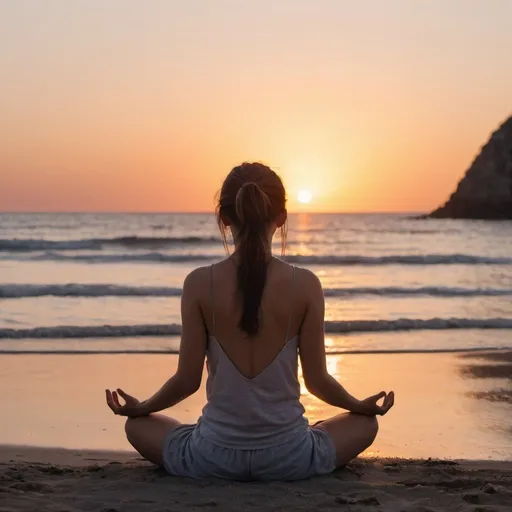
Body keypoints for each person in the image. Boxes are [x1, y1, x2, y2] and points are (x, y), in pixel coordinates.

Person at [105, 162, 394, 480]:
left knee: (137, 426)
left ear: (225, 217)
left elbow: (187, 382)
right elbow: (318, 382)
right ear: (281, 217)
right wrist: (360, 405)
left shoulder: (199, 283)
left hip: (212, 457)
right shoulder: (306, 284)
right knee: (365, 423)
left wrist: (141, 407)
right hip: (290, 458)